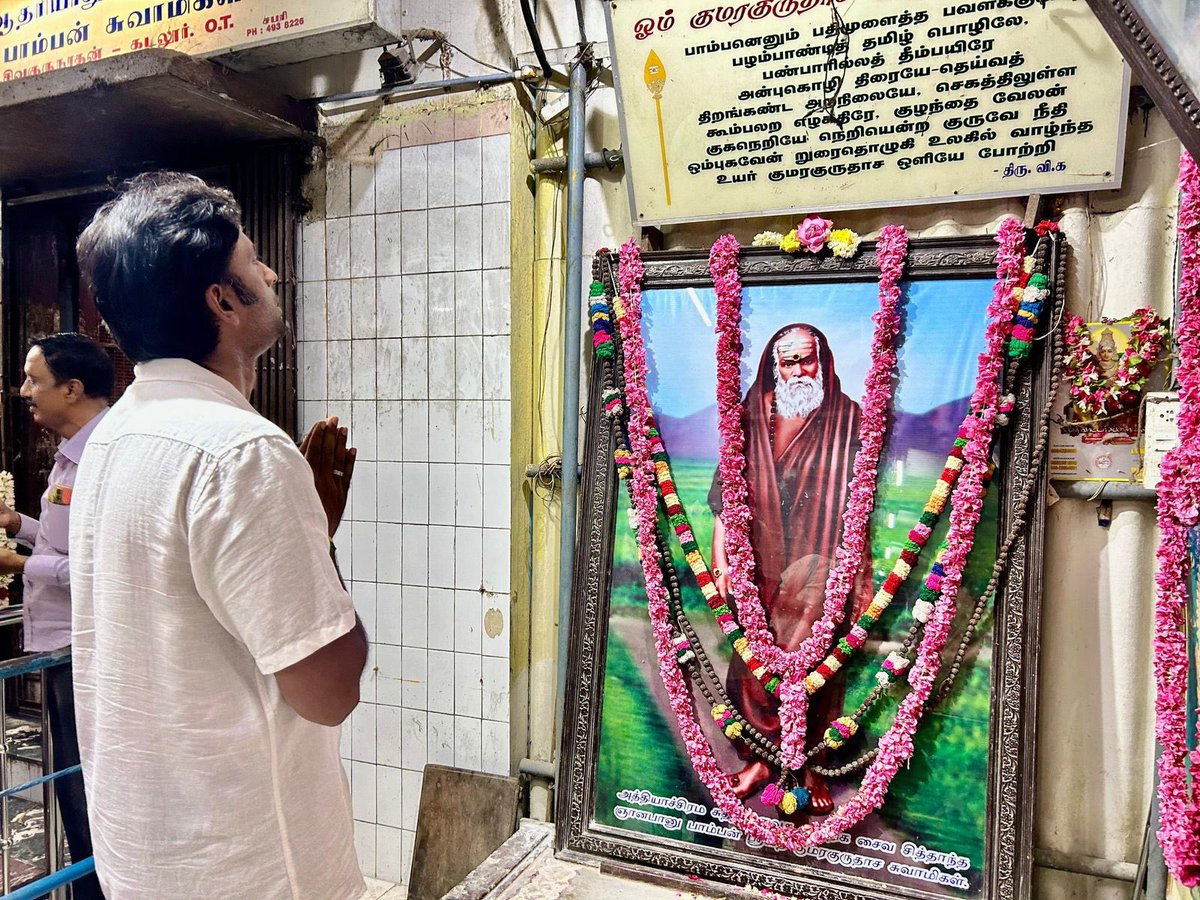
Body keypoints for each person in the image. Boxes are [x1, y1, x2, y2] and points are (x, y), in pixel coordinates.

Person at [71, 171, 367, 899]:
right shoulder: (241, 452)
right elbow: (329, 691)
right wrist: (320, 555)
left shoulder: (115, 435)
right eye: (253, 262)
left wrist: (305, 538)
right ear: (224, 300)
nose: (269, 272)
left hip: (146, 860)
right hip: (251, 866)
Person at [708, 323, 873, 814]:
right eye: (789, 362)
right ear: (772, 366)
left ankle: (808, 766)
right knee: (755, 665)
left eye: (807, 360)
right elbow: (725, 499)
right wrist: (721, 561)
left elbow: (861, 505)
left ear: (822, 362)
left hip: (820, 564)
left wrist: (857, 574)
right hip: (756, 563)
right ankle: (759, 760)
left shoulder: (848, 419)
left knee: (816, 664)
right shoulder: (747, 417)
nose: (799, 370)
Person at [0, 333, 112, 900]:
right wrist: (16, 523)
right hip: (60, 644)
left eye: (33, 380)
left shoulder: (106, 455)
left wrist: (17, 562)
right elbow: (62, 540)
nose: (24, 392)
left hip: (87, 649)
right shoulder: (71, 455)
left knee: (88, 795)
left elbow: (98, 565)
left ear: (72, 389)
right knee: (72, 789)